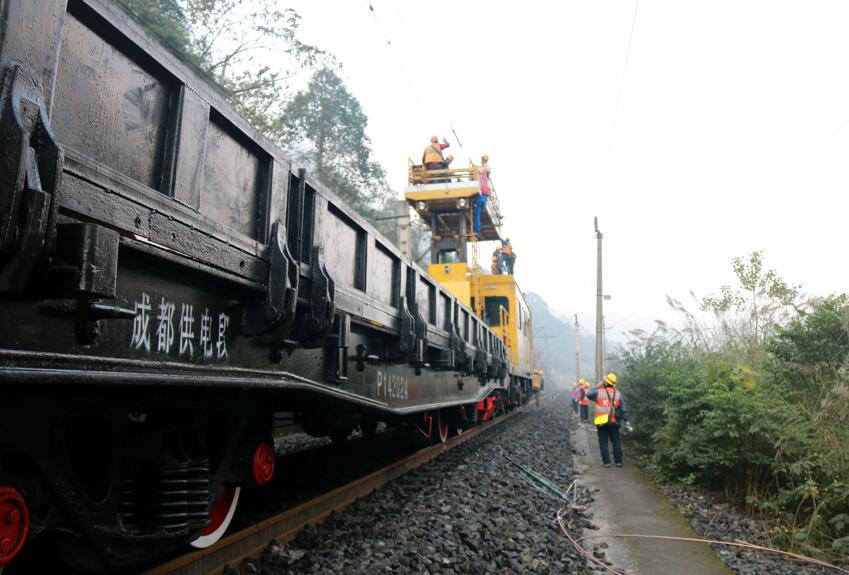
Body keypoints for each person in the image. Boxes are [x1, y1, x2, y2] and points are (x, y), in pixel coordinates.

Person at [587, 373, 631, 468]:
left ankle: (606, 462)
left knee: (603, 442)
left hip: (602, 422)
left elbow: (588, 395)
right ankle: (618, 461)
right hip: (614, 421)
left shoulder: (599, 392)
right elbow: (623, 410)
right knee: (616, 441)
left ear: (605, 382)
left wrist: (597, 387)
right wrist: (627, 422)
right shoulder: (619, 394)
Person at [473, 155, 491, 236]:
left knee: (476, 212)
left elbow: (483, 169)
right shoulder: (485, 177)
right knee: (478, 213)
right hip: (484, 197)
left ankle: (476, 230)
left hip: (481, 196)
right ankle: (477, 230)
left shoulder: (481, 175)